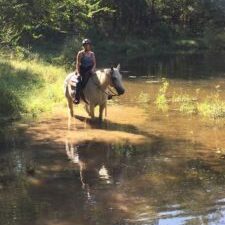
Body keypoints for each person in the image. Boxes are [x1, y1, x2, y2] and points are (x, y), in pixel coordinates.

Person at [73, 39, 96, 104]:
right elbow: (78, 63)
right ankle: (77, 98)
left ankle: (105, 94)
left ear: (90, 46)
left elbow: (94, 63)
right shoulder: (80, 53)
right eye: (85, 45)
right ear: (83, 46)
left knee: (100, 79)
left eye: (88, 45)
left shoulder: (92, 54)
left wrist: (92, 69)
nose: (87, 46)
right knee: (78, 82)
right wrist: (78, 72)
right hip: (82, 70)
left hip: (90, 70)